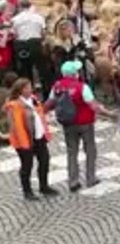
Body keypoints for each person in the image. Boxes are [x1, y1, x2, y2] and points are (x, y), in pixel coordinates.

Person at [45, 60, 100, 193]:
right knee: (90, 150)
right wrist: (109, 114)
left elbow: (49, 104)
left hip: (68, 124)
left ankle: (73, 181)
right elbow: (93, 106)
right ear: (74, 73)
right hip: (85, 123)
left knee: (72, 152)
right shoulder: (82, 87)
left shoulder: (57, 86)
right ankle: (90, 178)